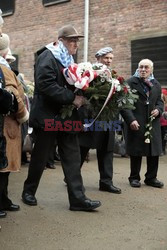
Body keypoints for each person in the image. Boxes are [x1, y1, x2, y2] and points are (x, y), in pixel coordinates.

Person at [22, 24, 101, 211]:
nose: (76, 44)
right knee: (40, 158)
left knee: (73, 158)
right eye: (72, 40)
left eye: (77, 41)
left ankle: (78, 199)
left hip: (67, 118)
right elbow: (45, 85)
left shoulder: (69, 59)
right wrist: (73, 98)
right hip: (48, 117)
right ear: (61, 41)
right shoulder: (47, 56)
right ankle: (28, 192)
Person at [79, 47, 121, 194]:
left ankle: (106, 182)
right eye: (105, 58)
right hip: (92, 118)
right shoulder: (89, 72)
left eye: (110, 58)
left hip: (108, 119)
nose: (108, 61)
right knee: (83, 149)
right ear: (98, 58)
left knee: (107, 150)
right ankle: (73, 178)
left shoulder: (112, 75)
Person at [121, 59, 164, 188]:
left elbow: (160, 101)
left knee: (153, 152)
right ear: (138, 68)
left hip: (152, 123)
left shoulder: (156, 84)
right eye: (141, 67)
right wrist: (131, 119)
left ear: (151, 69)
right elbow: (124, 103)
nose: (143, 69)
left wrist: (159, 109)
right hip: (136, 121)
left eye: (146, 67)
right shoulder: (130, 83)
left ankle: (151, 178)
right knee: (136, 150)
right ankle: (134, 178)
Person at [0, 33, 29, 218]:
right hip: (7, 123)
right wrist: (23, 115)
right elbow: (13, 94)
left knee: (6, 167)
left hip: (8, 123)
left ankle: (4, 200)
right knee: (3, 167)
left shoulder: (5, 67)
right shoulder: (4, 68)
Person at [160, 88, 167, 155]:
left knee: (163, 137)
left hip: (164, 124)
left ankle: (162, 149)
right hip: (159, 123)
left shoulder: (165, 105)